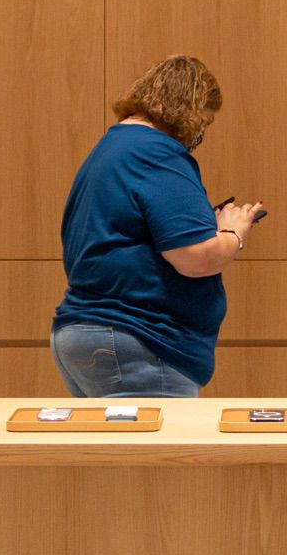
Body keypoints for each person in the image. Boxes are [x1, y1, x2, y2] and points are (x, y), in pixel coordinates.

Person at [52, 56, 261, 397]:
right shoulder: (156, 153)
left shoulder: (112, 148)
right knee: (161, 452)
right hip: (140, 338)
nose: (200, 133)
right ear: (189, 107)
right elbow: (195, 259)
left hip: (92, 334)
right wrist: (233, 231)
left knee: (117, 451)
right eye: (204, 121)